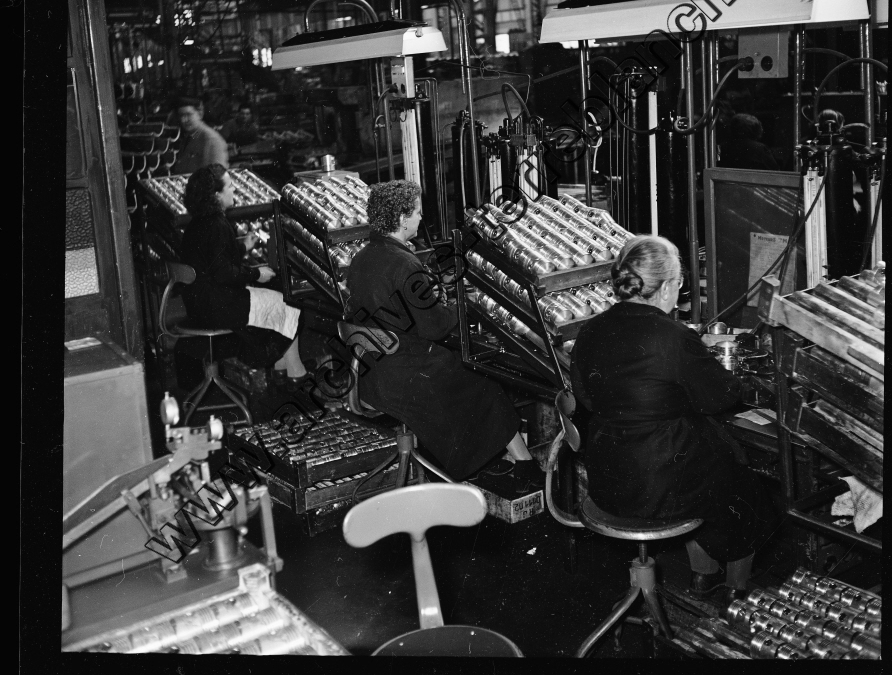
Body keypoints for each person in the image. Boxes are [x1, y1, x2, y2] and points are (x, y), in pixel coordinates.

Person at [569, 235, 777, 600]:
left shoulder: (589, 330)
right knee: (745, 487)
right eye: (679, 285)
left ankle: (703, 575)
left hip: (608, 479)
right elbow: (718, 398)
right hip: (659, 483)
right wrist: (729, 378)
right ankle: (736, 592)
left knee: (705, 468)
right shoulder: (674, 336)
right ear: (666, 287)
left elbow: (585, 396)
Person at [342, 180, 534, 482]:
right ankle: (524, 465)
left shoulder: (362, 257)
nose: (421, 218)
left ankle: (480, 459)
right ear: (402, 218)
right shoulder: (404, 263)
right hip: (404, 376)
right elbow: (433, 328)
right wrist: (461, 305)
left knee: (459, 374)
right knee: (485, 381)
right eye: (418, 212)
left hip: (371, 375)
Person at [179, 164, 309, 381]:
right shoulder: (218, 224)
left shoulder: (196, 224)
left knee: (276, 297)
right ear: (216, 195)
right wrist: (256, 275)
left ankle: (282, 367)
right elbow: (223, 273)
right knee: (290, 304)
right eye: (230, 186)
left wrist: (243, 247)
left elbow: (213, 259)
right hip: (219, 307)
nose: (234, 190)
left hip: (199, 305)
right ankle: (295, 372)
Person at [172, 96, 229, 175]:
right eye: (181, 115)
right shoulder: (189, 136)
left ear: (200, 114)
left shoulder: (211, 139)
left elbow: (216, 176)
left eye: (188, 114)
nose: (184, 120)